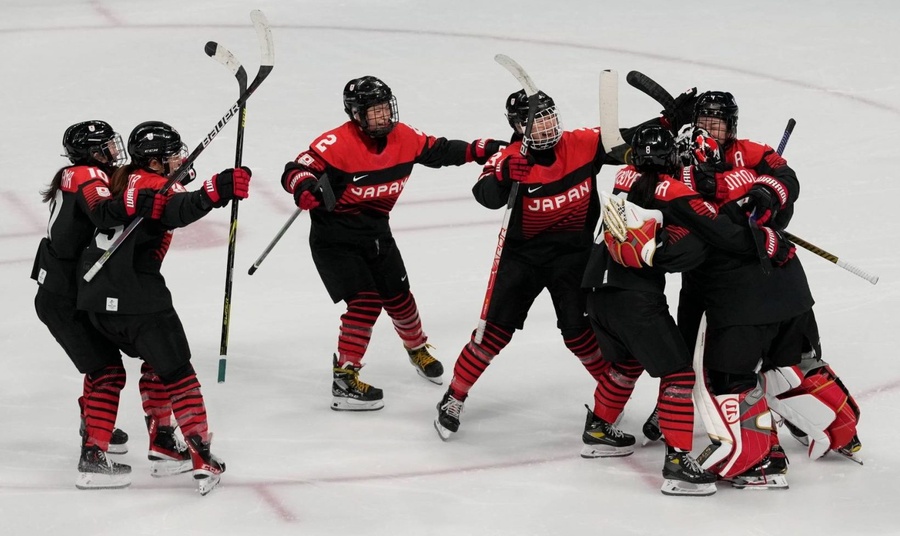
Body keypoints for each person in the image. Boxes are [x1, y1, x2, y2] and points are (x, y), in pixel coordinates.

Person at [433, 89, 667, 447]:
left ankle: (609, 399)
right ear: (517, 126)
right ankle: (454, 396)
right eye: (536, 121)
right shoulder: (511, 158)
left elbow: (626, 140)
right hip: (522, 260)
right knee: (492, 334)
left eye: (549, 117)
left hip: (572, 259)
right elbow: (485, 195)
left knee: (580, 335)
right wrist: (505, 176)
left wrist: (668, 121)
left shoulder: (583, 143)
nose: (546, 127)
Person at [280, 75, 506, 411]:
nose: (384, 116)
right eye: (375, 111)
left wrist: (477, 149)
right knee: (366, 302)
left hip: (375, 232)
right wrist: (303, 186)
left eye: (386, 108)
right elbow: (296, 169)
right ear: (356, 115)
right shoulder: (336, 144)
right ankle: (344, 378)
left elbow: (440, 150)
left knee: (399, 296)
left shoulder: (405, 138)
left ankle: (416, 348)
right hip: (334, 238)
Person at [78, 121, 249, 495]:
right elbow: (178, 209)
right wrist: (215, 191)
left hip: (96, 301)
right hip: (138, 300)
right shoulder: (153, 184)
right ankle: (202, 455)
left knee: (152, 363)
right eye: (172, 156)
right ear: (154, 163)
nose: (180, 160)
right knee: (177, 371)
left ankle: (159, 444)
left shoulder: (123, 180)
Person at [32, 120, 135, 489]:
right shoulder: (89, 174)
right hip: (63, 300)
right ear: (93, 152)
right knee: (108, 371)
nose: (112, 151)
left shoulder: (71, 173)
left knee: (102, 366)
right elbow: (105, 214)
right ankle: (93, 455)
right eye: (106, 146)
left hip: (60, 293)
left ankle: (94, 423)